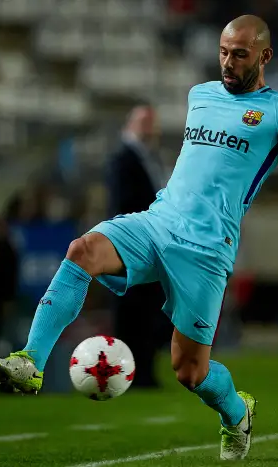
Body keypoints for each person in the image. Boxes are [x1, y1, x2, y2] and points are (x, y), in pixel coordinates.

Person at [0, 15, 278, 461]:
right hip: (157, 223)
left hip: (207, 252)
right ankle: (29, 363)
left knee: (189, 371)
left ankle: (236, 412)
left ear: (265, 56)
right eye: (223, 52)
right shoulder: (200, 95)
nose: (228, 63)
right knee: (82, 250)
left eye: (240, 55)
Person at [104, 104, 169, 388]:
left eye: (150, 122)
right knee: (132, 311)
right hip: (130, 245)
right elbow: (124, 203)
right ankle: (129, 373)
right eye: (143, 122)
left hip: (147, 245)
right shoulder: (124, 158)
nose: (148, 128)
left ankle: (143, 371)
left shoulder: (148, 158)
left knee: (147, 310)